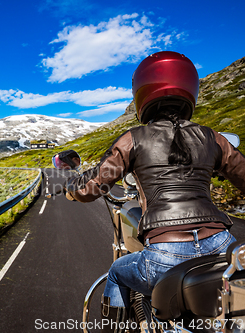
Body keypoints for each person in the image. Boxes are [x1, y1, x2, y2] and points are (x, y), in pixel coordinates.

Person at [61, 51, 245, 330]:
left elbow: (94, 185)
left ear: (143, 91)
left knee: (116, 273)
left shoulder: (133, 139)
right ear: (189, 87)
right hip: (222, 244)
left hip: (166, 252)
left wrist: (71, 189)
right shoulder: (213, 137)